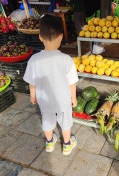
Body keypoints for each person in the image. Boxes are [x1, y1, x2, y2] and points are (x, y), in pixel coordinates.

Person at [23, 14, 79, 155]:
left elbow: (32, 82)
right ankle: (67, 144)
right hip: (63, 100)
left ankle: (49, 143)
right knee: (65, 121)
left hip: (44, 100)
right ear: (61, 36)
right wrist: (73, 98)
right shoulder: (67, 60)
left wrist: (33, 96)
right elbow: (72, 83)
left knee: (47, 120)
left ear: (40, 37)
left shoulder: (34, 60)